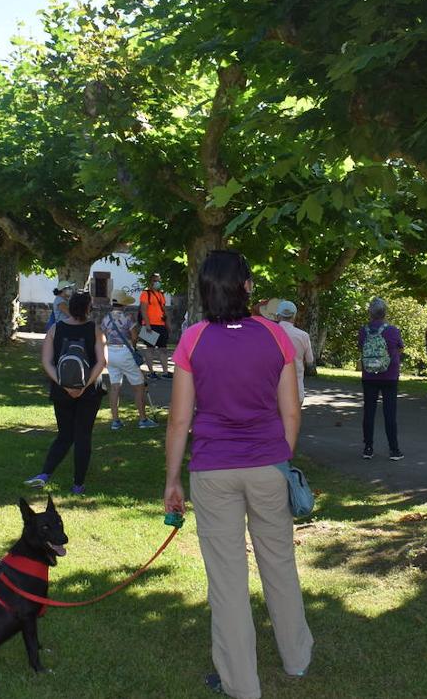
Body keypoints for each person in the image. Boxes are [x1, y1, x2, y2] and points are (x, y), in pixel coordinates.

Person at [163, 249, 313, 699]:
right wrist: (277, 458)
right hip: (268, 465)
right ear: (246, 287)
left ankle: (241, 684)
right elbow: (292, 411)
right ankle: (297, 658)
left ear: (206, 290)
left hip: (213, 471)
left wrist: (172, 480)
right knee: (280, 565)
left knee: (227, 580)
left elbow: (178, 420)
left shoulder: (193, 339)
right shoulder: (275, 336)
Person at [26, 291, 107, 494]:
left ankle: (45, 474)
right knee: (83, 436)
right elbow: (102, 361)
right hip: (89, 392)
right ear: (88, 308)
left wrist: (64, 385)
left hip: (61, 391)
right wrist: (84, 385)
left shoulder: (56, 328)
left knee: (64, 435)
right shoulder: (94, 329)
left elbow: (46, 361)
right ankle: (78, 484)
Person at [358, 296, 404, 461]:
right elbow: (400, 348)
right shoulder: (393, 331)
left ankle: (368, 448)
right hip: (390, 376)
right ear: (385, 313)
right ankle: (394, 449)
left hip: (369, 375)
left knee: (369, 412)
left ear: (370, 313)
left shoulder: (363, 331)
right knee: (389, 413)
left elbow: (361, 348)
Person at [103, 293, 157, 430]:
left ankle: (115, 421)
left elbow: (103, 335)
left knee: (114, 386)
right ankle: (143, 419)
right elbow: (134, 337)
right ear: (124, 304)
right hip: (124, 352)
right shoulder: (128, 317)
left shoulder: (105, 318)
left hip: (110, 352)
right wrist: (133, 347)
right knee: (139, 386)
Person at [276, 300, 315, 404]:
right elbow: (310, 362)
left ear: (277, 315)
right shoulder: (303, 336)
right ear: (294, 316)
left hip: (273, 390)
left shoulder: (268, 333)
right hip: (296, 389)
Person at [139, 272, 172, 379]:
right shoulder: (145, 293)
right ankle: (151, 372)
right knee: (150, 349)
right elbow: (143, 310)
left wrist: (168, 324)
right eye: (155, 280)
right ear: (150, 281)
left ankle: (165, 372)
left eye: (159, 280)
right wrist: (147, 325)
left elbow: (164, 310)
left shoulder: (161, 294)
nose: (157, 283)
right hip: (150, 325)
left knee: (163, 349)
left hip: (161, 325)